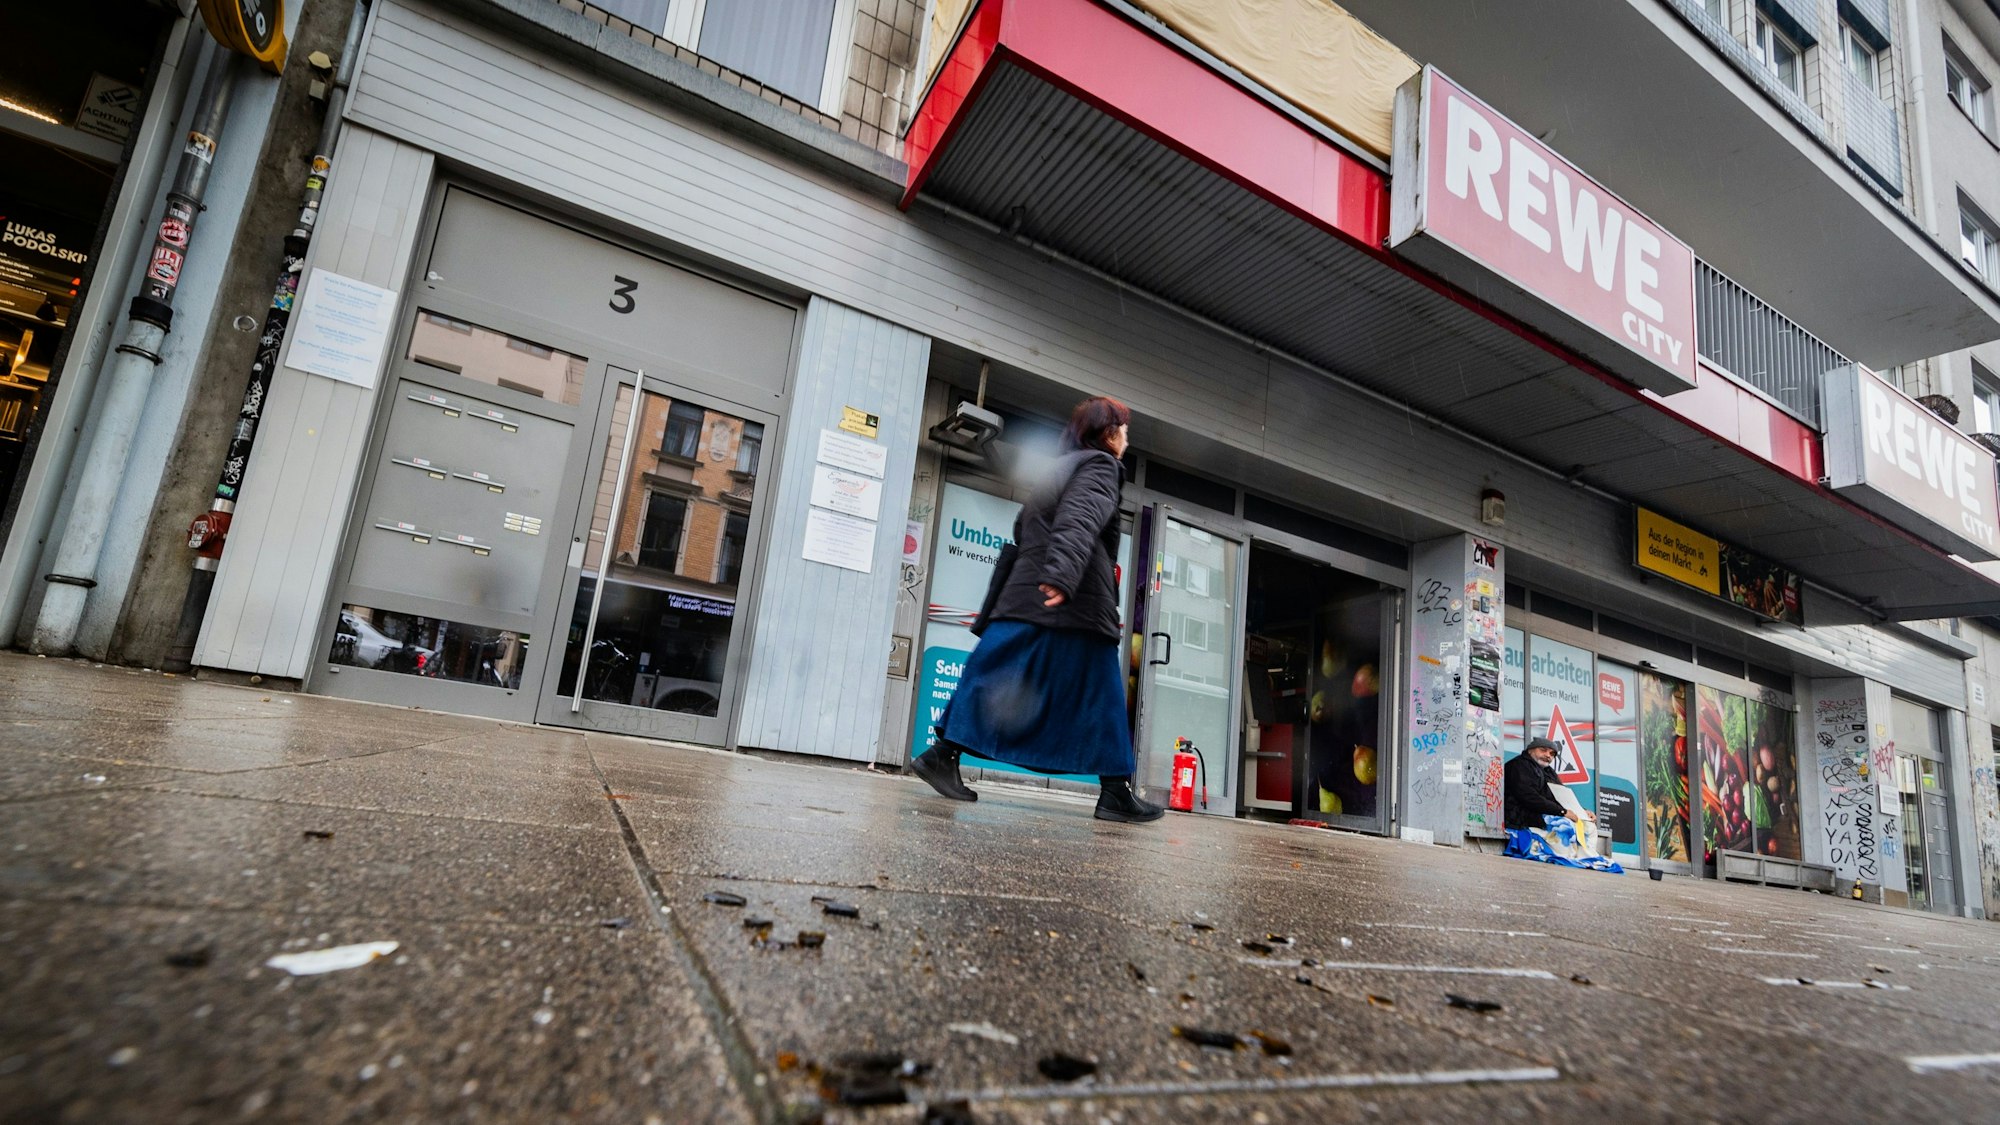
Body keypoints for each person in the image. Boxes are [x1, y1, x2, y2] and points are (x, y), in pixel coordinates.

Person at [910, 396, 1163, 823]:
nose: (1126, 437)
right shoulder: (1100, 466)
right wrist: (1062, 573)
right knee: (1100, 694)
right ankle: (1115, 792)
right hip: (1073, 603)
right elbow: (1080, 518)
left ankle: (943, 755)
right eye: (1123, 429)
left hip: (1028, 598)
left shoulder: (1057, 469)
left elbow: (1026, 528)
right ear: (1108, 433)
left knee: (993, 674)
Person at [1503, 736, 1576, 831]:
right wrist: (1561, 811)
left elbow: (1562, 797)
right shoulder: (1519, 765)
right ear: (1530, 751)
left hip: (1535, 825)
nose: (1548, 755)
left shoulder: (1549, 771)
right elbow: (1528, 796)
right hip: (1516, 825)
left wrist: (1583, 812)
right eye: (1543, 750)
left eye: (1552, 753)